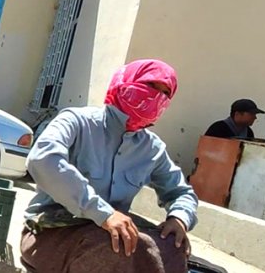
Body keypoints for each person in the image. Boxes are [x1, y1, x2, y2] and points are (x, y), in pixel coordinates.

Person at [21, 59, 198, 273]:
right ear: (124, 83)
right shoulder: (77, 121)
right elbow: (42, 159)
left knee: (173, 248)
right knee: (114, 249)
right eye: (150, 86)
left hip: (110, 235)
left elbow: (181, 192)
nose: (154, 97)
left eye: (164, 94)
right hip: (51, 231)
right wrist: (103, 213)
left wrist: (179, 218)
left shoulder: (152, 148)